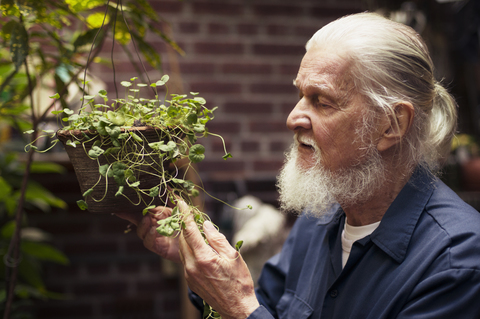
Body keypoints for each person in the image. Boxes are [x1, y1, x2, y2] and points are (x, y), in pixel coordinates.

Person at [116, 12, 480, 318]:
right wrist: (197, 259)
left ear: (391, 124)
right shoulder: (321, 216)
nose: (293, 118)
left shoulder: (457, 263)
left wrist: (241, 309)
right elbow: (266, 307)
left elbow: (249, 311)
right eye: (300, 95)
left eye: (321, 101)